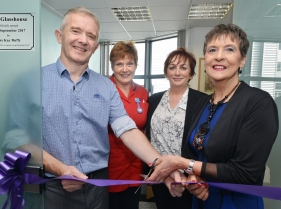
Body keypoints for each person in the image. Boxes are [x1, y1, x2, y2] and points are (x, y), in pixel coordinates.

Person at [41, 6, 182, 209]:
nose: (83, 40)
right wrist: (59, 168)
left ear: (96, 46)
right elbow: (20, 140)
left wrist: (162, 166)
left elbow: (127, 128)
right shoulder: (36, 81)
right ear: (59, 35)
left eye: (91, 35)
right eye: (75, 31)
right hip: (54, 185)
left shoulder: (106, 86)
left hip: (98, 185)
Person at [148, 23, 279, 209]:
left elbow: (245, 173)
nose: (219, 56)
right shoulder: (204, 103)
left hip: (236, 203)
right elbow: (198, 154)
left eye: (229, 49)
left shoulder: (257, 102)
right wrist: (194, 179)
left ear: (242, 59)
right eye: (212, 50)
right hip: (201, 200)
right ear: (206, 58)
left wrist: (182, 163)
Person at [146, 47, 206, 209]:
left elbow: (205, 139)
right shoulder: (153, 100)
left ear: (191, 74)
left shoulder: (202, 102)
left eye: (183, 67)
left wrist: (195, 173)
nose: (177, 72)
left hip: (189, 177)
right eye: (172, 67)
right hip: (160, 173)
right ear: (166, 73)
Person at [107, 41, 149, 209]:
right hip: (110, 167)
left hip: (135, 166)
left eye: (129, 63)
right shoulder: (103, 89)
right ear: (112, 66)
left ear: (136, 65)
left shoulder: (143, 92)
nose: (125, 69)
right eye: (119, 64)